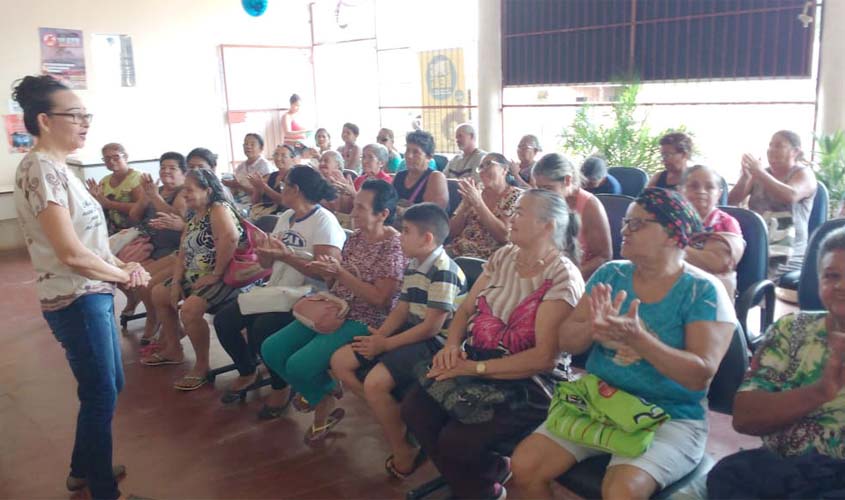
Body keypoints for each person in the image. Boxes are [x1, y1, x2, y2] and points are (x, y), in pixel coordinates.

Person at [510, 188, 736, 500]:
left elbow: (700, 374)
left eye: (637, 224)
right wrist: (592, 328)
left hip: (670, 416)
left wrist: (638, 339)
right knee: (524, 467)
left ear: (673, 235)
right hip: (602, 401)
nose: (624, 231)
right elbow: (567, 341)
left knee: (621, 492)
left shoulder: (703, 291)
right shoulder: (611, 273)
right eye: (625, 224)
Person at [12, 75, 151, 500]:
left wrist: (122, 263)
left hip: (92, 293)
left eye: (85, 115)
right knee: (101, 391)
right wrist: (125, 275)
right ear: (44, 120)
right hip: (75, 299)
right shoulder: (40, 168)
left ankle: (82, 469)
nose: (84, 123)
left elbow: (90, 242)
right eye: (75, 115)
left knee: (107, 388)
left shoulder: (63, 169)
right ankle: (103, 489)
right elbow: (70, 254)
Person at [400, 189, 585, 499]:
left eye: (520, 213)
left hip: (529, 382)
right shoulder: (504, 255)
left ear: (547, 226)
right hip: (476, 362)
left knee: (457, 441)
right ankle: (479, 482)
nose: (511, 218)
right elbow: (466, 309)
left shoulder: (561, 275)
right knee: (415, 409)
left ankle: (478, 486)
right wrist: (451, 347)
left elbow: (543, 358)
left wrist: (474, 367)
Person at [261, 180, 407, 444]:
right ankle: (324, 392)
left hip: (366, 319)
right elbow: (337, 282)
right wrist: (329, 272)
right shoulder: (355, 239)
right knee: (271, 348)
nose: (353, 212)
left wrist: (340, 273)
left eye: (361, 208)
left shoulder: (394, 247)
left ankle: (321, 397)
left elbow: (380, 301)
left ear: (383, 214)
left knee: (299, 364)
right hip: (336, 306)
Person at [704, 227, 845, 498]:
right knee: (728, 475)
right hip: (785, 469)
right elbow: (745, 419)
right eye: (832, 276)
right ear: (818, 280)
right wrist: (820, 392)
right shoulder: (791, 330)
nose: (841, 286)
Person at [330, 203, 466, 479]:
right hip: (410, 331)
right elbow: (402, 307)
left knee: (375, 383)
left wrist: (385, 345)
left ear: (427, 239)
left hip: (435, 344)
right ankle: (393, 418)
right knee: (340, 362)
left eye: (405, 231)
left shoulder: (443, 269)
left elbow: (431, 328)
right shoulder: (415, 262)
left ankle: (402, 447)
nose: (399, 236)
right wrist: (380, 336)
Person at [213, 166, 345, 418]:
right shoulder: (286, 217)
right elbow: (267, 265)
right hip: (278, 289)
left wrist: (287, 255)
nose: (279, 190)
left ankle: (280, 386)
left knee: (263, 328)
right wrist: (264, 255)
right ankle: (247, 369)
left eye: (284, 185)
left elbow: (327, 275)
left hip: (309, 296)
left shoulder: (324, 222)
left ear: (296, 189)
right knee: (224, 320)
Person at [143, 169, 248, 391]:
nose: (186, 195)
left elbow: (230, 238)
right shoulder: (193, 213)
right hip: (198, 274)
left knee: (190, 310)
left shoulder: (218, 209)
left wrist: (216, 274)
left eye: (190, 190)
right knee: (159, 293)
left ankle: (202, 366)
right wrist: (176, 282)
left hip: (227, 276)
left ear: (207, 190)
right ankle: (173, 349)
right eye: (184, 190)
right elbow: (183, 250)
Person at [728, 130, 817, 278]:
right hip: (755, 244)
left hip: (786, 252)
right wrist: (746, 177)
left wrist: (760, 173)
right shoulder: (760, 174)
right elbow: (731, 201)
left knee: (755, 278)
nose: (771, 150)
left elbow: (790, 195)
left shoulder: (804, 174)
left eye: (778, 146)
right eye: (770, 145)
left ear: (795, 151)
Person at [128, 152, 189, 344]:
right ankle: (157, 318)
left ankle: (156, 320)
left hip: (174, 250)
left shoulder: (184, 192)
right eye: (163, 167)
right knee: (134, 277)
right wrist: (147, 197)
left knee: (146, 282)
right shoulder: (157, 190)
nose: (166, 172)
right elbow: (134, 216)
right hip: (151, 246)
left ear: (183, 173)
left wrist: (155, 197)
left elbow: (178, 217)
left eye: (172, 168)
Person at [532, 153, 611, 279]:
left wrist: (569, 276)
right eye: (539, 188)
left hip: (576, 278)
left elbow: (604, 257)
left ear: (567, 180)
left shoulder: (589, 206)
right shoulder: (542, 202)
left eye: (548, 188)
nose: (543, 194)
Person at [681, 165, 745, 299]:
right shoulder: (672, 220)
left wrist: (674, 249)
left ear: (719, 194)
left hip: (711, 296)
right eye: (694, 186)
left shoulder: (727, 223)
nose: (701, 192)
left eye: (709, 187)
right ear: (681, 191)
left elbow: (719, 263)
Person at [446, 152, 521, 259]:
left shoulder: (515, 196)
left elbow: (504, 236)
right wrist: (464, 207)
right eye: (480, 167)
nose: (483, 170)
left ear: (504, 169)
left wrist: (478, 203)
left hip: (487, 258)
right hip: (456, 251)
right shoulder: (475, 191)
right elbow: (451, 232)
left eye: (488, 164)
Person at [86, 143, 143, 235]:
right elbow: (101, 207)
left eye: (116, 157)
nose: (111, 161)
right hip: (112, 230)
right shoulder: (104, 181)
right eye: (107, 159)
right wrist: (93, 198)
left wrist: (109, 204)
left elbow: (140, 208)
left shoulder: (137, 177)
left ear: (125, 157)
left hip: (135, 230)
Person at [393, 130, 449, 212]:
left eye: (416, 152)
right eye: (407, 150)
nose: (409, 156)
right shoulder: (399, 176)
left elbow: (432, 214)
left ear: (429, 157)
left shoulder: (436, 177)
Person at [247, 144, 299, 220]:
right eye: (276, 155)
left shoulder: (294, 176)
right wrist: (257, 188)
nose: (278, 158)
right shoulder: (272, 176)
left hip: (284, 215)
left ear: (292, 159)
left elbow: (284, 201)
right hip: (265, 213)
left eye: (283, 156)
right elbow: (255, 202)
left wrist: (264, 186)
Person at [223, 133, 271, 212]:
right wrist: (229, 185)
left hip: (255, 205)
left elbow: (263, 193)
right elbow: (234, 190)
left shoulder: (265, 166)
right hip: (237, 202)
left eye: (252, 144)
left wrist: (239, 186)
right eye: (246, 144)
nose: (248, 147)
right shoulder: (240, 167)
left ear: (261, 148)